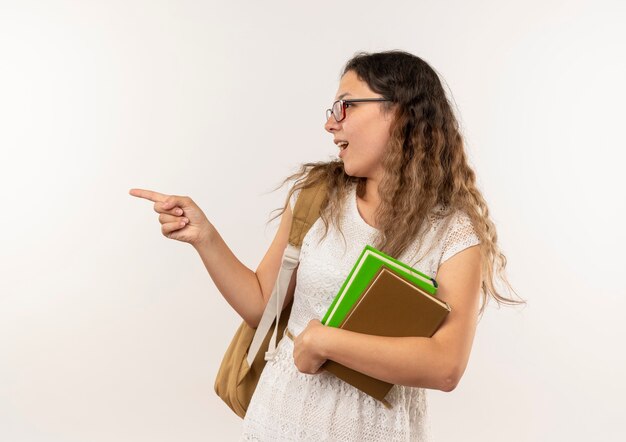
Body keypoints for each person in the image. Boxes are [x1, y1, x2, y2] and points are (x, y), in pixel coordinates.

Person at [129, 50, 523, 441]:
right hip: (280, 419)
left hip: (378, 431)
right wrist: (205, 237)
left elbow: (446, 365)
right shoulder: (318, 197)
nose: (329, 124)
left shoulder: (453, 231)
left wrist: (324, 341)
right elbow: (262, 304)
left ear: (400, 112)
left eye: (345, 106)